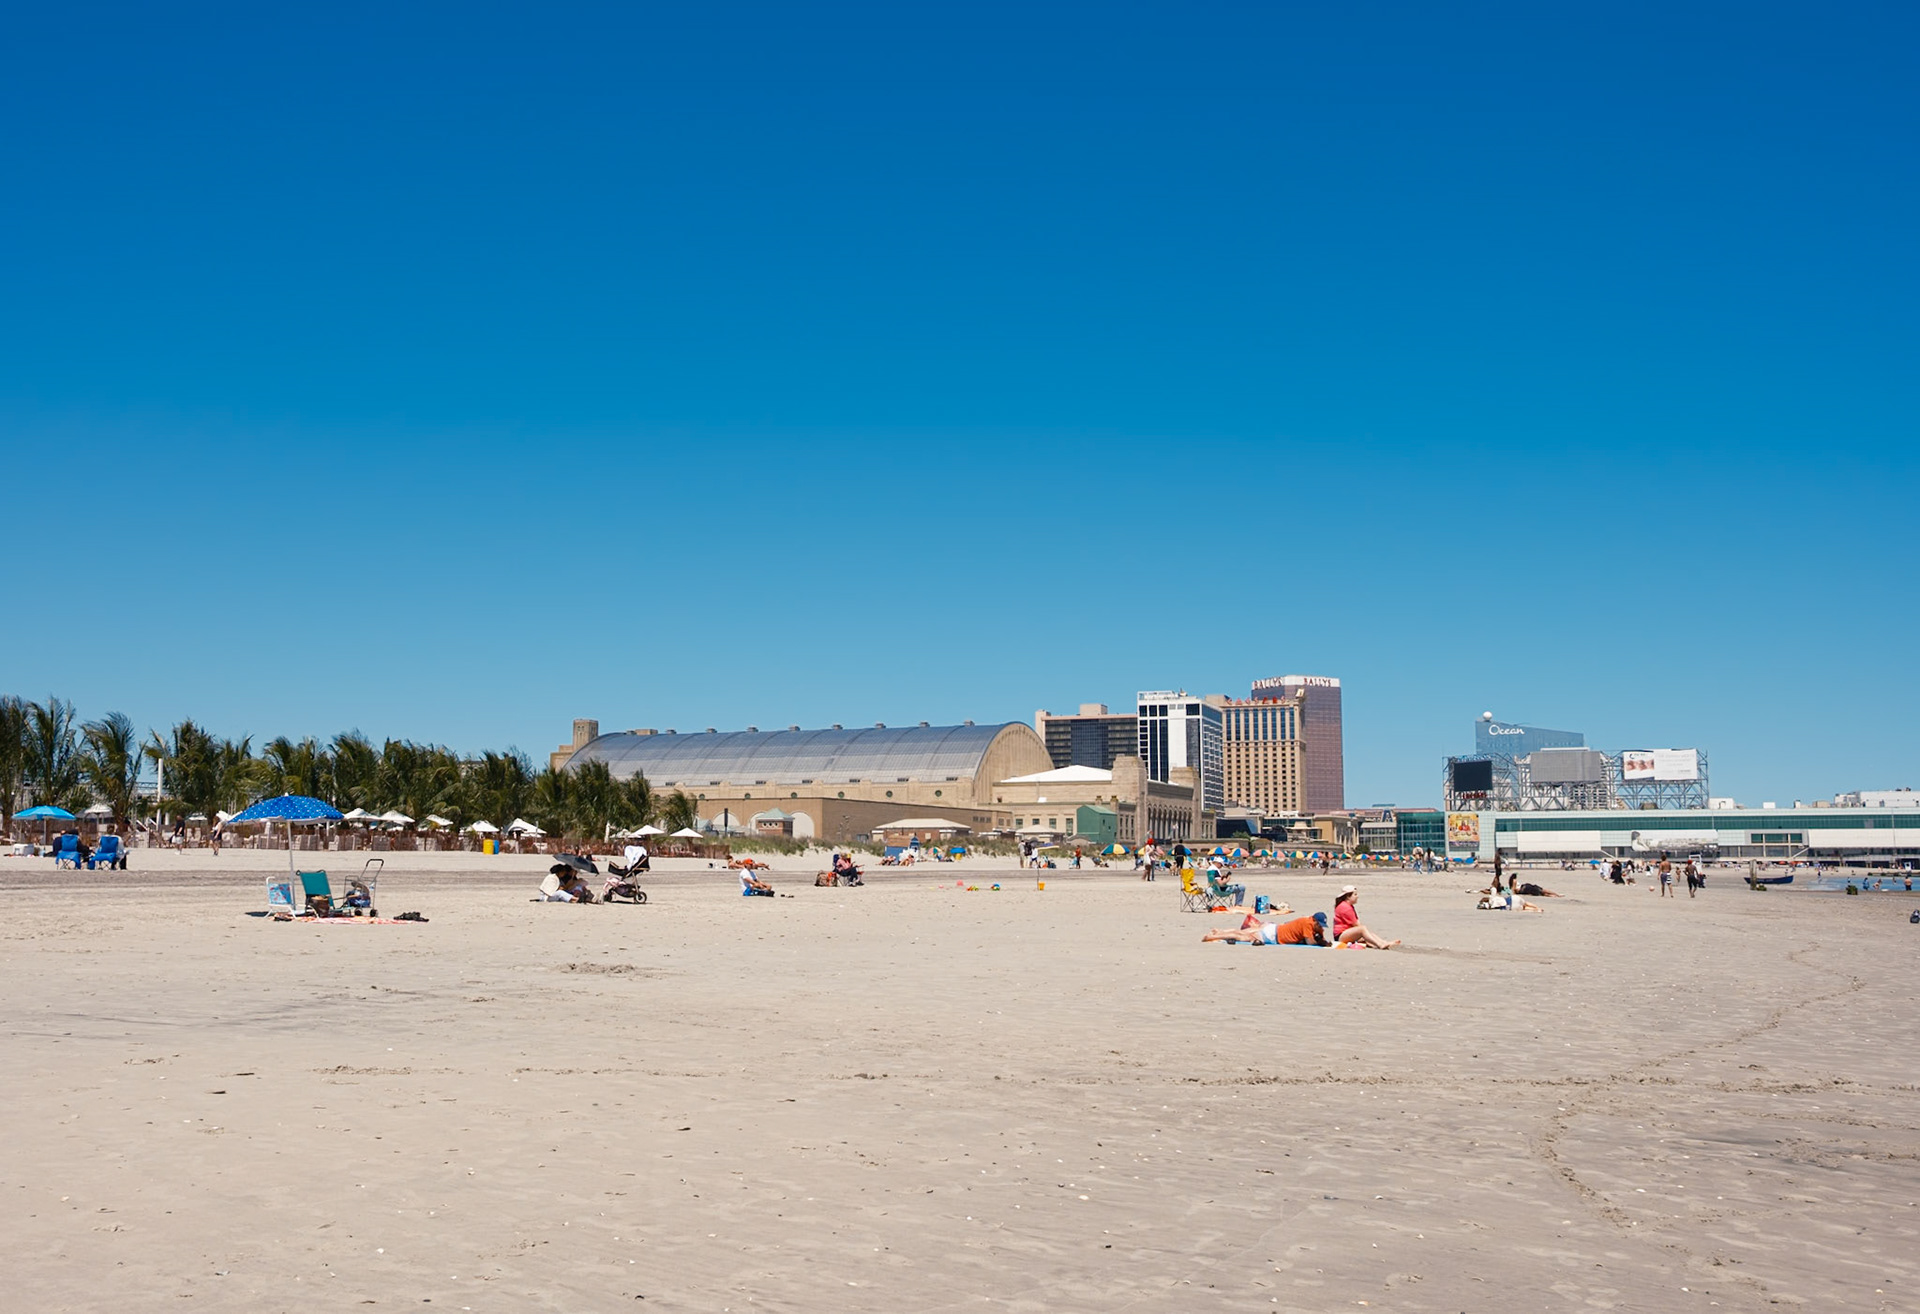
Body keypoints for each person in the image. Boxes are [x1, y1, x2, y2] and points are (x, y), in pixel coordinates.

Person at [1203, 911, 1329, 946]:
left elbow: (1321, 938)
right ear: (1314, 920)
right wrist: (1319, 941)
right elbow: (1310, 942)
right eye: (1319, 925)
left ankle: (1219, 931)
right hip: (1273, 936)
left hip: (1273, 928)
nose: (1320, 927)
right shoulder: (1307, 923)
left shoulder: (1315, 926)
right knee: (1243, 937)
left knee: (1242, 932)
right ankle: (1214, 936)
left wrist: (1321, 939)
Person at [1330, 886, 1400, 949]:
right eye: (1355, 895)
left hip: (1347, 932)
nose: (1357, 897)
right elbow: (1356, 924)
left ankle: (1383, 942)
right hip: (1340, 936)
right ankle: (1380, 944)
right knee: (1363, 929)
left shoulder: (1348, 906)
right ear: (1348, 896)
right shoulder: (1345, 907)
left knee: (1367, 933)